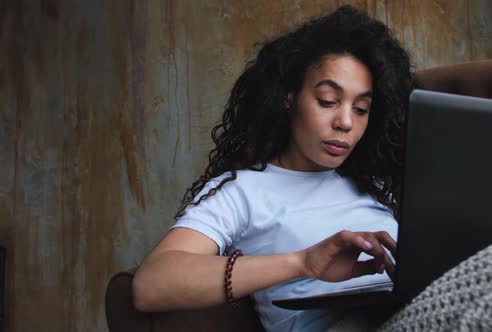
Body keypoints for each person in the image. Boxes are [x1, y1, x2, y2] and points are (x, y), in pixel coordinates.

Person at [132, 5, 413, 331]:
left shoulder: (374, 183)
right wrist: (303, 263)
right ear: (289, 98)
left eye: (361, 108)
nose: (346, 122)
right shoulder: (243, 191)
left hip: (414, 310)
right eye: (327, 101)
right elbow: (150, 284)